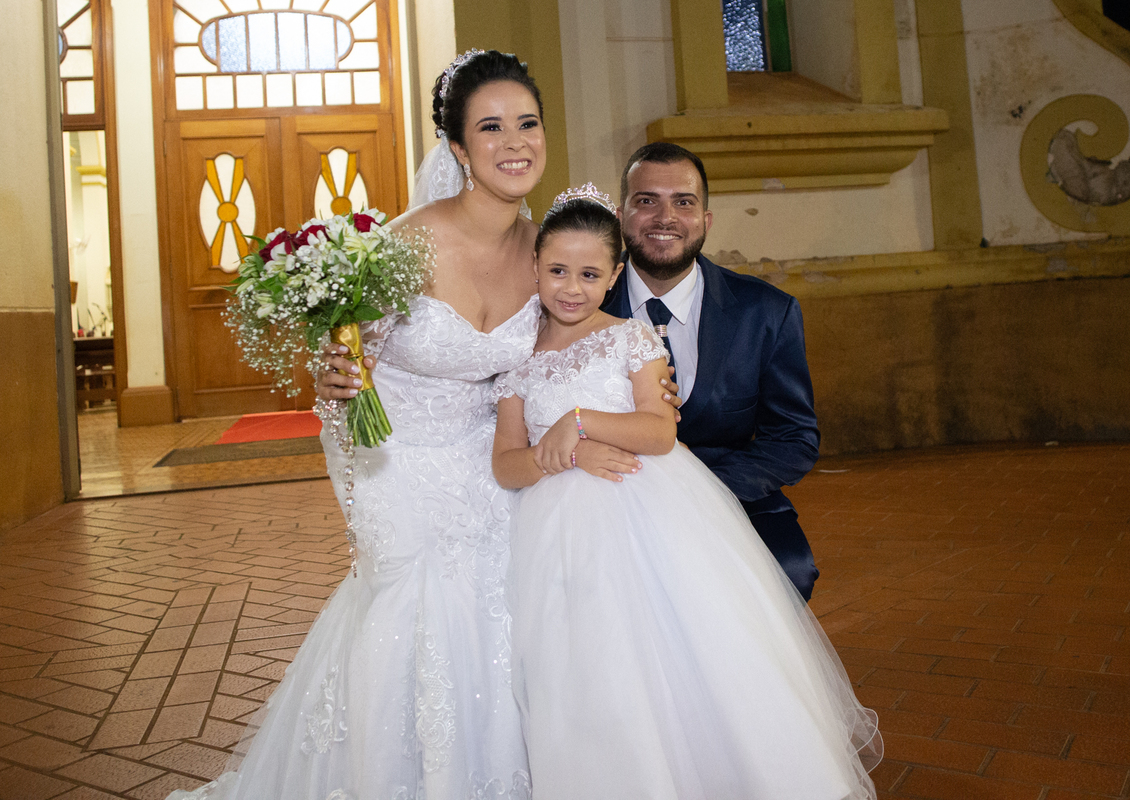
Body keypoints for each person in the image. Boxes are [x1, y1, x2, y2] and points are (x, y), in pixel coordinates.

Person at [167, 50, 574, 800]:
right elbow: (343, 385)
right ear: (458, 149)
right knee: (407, 608)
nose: (515, 142)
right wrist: (336, 396)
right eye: (491, 127)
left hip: (489, 463)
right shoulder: (401, 247)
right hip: (396, 459)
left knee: (499, 614)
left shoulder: (547, 249)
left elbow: (566, 350)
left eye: (528, 123)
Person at [492, 187, 881, 799]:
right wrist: (568, 454)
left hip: (642, 510)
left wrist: (581, 422)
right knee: (582, 662)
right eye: (557, 270)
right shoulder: (518, 361)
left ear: (614, 276)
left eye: (590, 274)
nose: (571, 287)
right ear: (534, 267)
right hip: (552, 533)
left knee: (673, 647)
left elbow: (659, 431)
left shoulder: (630, 338)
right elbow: (507, 465)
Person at [603, 142, 823, 600]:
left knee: (791, 569)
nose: (665, 218)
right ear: (621, 215)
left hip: (733, 494)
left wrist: (707, 488)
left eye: (683, 202)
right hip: (611, 497)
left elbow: (794, 437)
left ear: (705, 220)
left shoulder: (766, 312)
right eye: (647, 201)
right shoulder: (581, 307)